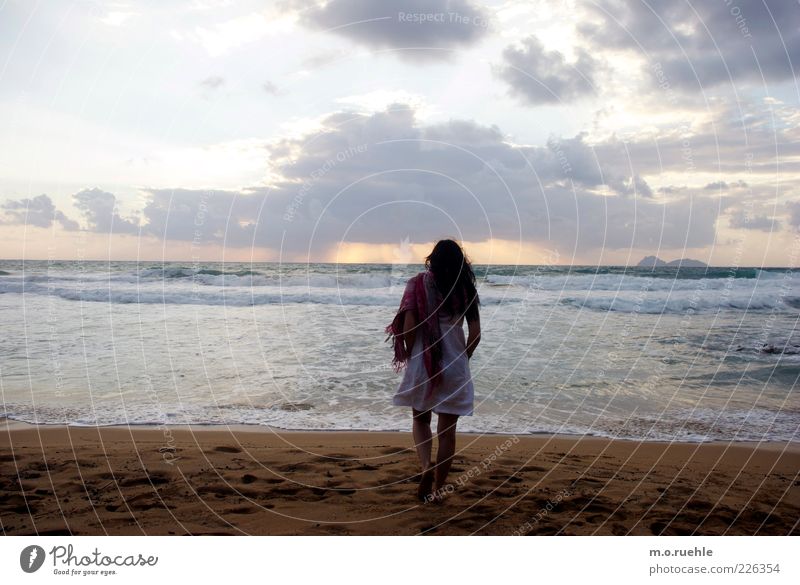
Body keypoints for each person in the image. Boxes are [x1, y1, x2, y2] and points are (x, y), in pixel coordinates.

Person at [386, 239, 481, 503]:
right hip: (455, 366)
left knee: (420, 420)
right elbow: (475, 334)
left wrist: (412, 353)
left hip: (423, 365)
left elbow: (408, 328)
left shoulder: (417, 285)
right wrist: (462, 360)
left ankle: (426, 465)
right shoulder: (466, 289)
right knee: (447, 432)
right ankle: (439, 488)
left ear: (432, 260)